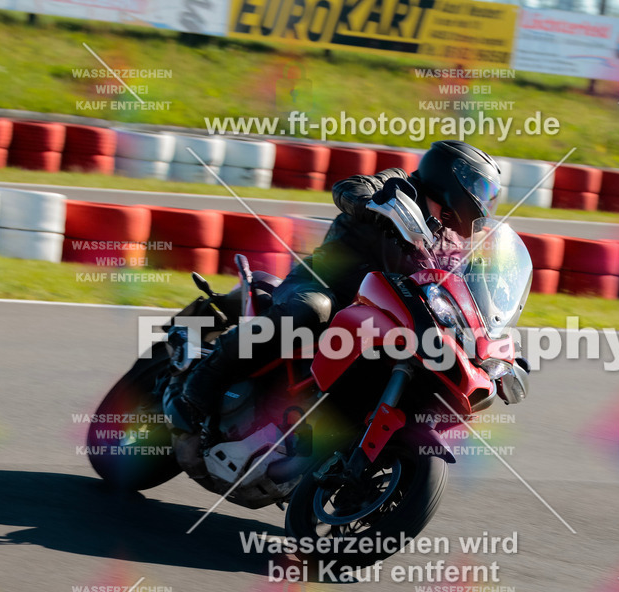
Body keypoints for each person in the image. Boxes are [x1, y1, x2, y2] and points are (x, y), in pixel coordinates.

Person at [169, 140, 503, 475]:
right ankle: (196, 391)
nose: (485, 199)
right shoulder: (402, 186)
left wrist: (494, 345)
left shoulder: (457, 241)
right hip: (328, 285)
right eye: (480, 188)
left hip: (386, 310)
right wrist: (373, 204)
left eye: (490, 192)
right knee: (310, 311)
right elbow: (350, 187)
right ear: (450, 176)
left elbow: (469, 292)